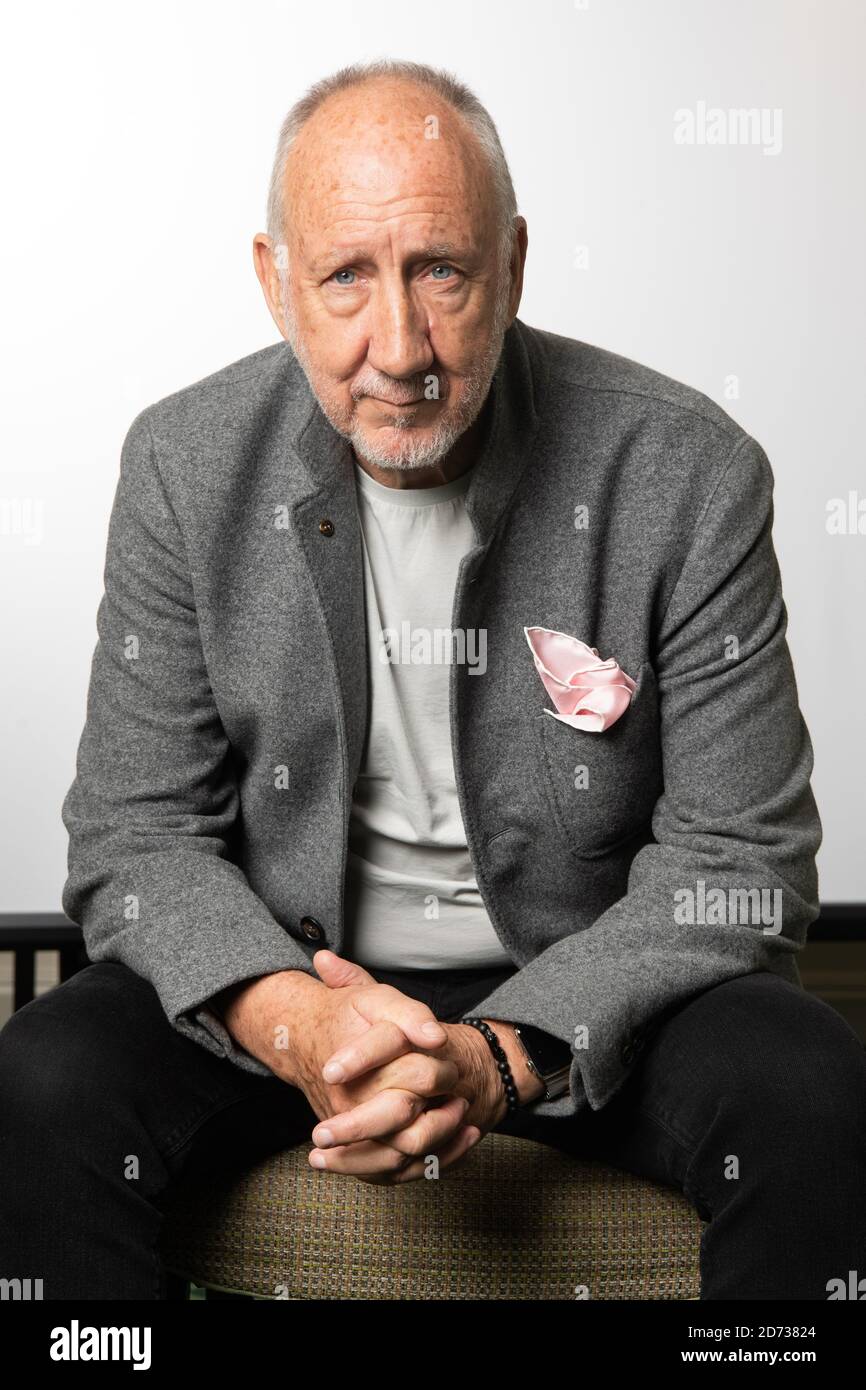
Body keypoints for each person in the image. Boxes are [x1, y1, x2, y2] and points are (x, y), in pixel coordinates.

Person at [1, 58, 864, 1301]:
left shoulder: (688, 469)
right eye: (346, 275)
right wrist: (298, 1020)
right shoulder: (182, 467)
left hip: (586, 974)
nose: (397, 347)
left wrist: (498, 1053)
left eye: (440, 273)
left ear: (511, 265)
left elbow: (739, 859)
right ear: (275, 283)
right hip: (289, 966)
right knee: (44, 1077)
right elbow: (135, 835)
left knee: (805, 1083)